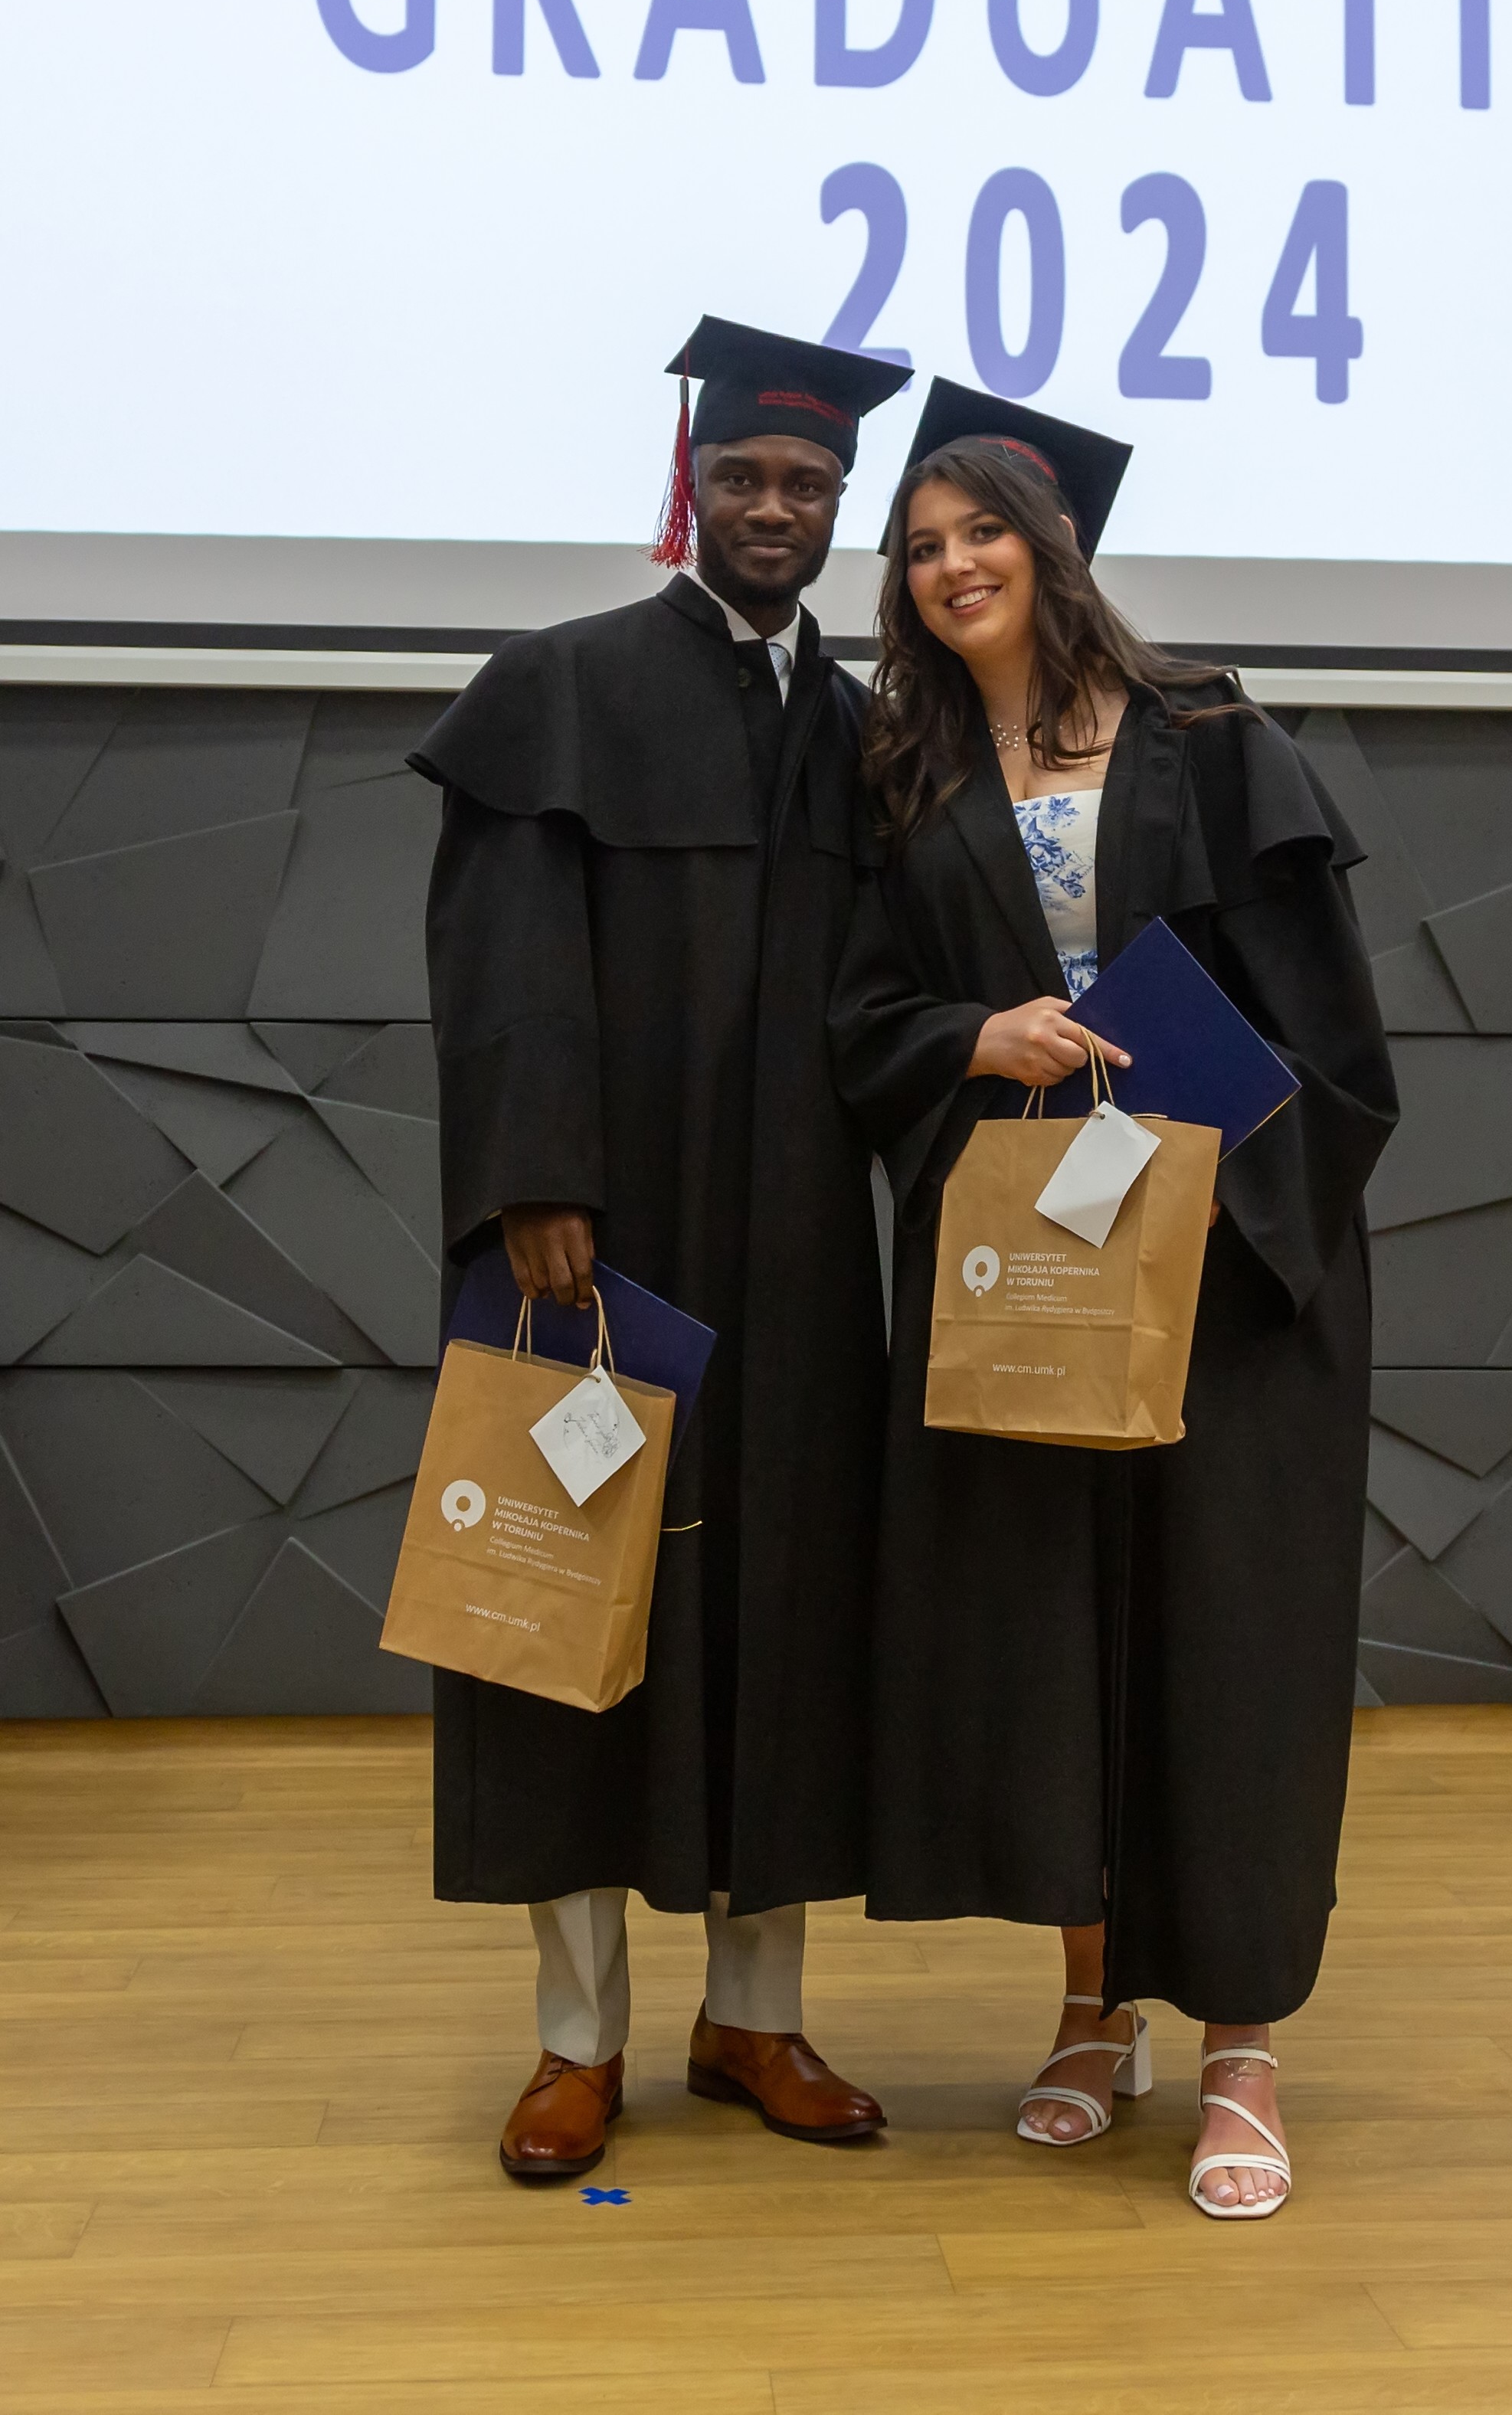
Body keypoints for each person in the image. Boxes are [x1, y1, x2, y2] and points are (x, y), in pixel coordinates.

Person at [828, 381, 1397, 2217]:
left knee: (1224, 1642)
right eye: (921, 546)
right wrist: (969, 1035)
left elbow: (1334, 1039)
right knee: (1052, 1633)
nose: (951, 566)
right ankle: (1091, 2005)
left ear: (1053, 541)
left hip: (1229, 1266)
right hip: (1034, 1257)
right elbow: (861, 1018)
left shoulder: (1212, 740)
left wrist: (1212, 1160)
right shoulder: (910, 780)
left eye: (980, 529)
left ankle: (1240, 2045)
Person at [411, 319, 911, 2178]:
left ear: (839, 507)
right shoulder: (563, 685)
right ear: (690, 486)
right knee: (563, 1606)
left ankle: (753, 2013)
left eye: (809, 484)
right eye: (745, 476)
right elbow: (502, 954)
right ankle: (576, 2038)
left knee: (781, 1606)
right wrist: (538, 1176)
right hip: (598, 1237)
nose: (775, 506)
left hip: (798, 1243)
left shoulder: (863, 733)